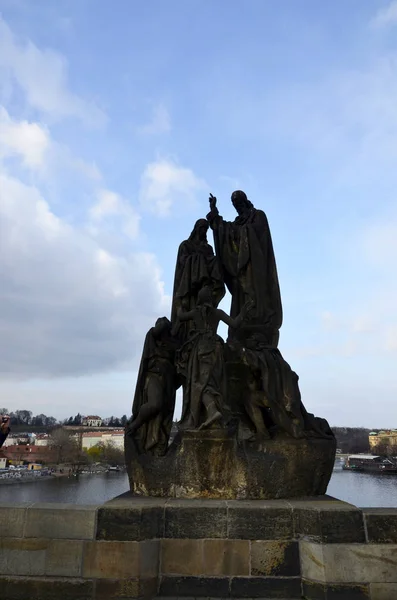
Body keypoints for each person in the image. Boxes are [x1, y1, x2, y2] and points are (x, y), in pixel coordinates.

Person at [207, 191, 282, 346]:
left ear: (245, 201)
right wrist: (214, 213)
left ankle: (257, 322)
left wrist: (242, 233)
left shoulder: (258, 215)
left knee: (254, 295)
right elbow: (225, 229)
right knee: (240, 295)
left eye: (239, 203)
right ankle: (240, 325)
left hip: (255, 266)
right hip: (240, 271)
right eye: (234, 205)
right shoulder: (238, 222)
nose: (237, 207)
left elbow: (259, 235)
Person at [174, 286, 253, 430]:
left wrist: (179, 304)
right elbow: (235, 324)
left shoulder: (196, 312)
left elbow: (180, 316)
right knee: (213, 383)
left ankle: (212, 411)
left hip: (201, 348)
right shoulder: (218, 313)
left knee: (200, 383)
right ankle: (214, 412)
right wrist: (243, 311)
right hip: (216, 349)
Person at [126, 317, 178, 455]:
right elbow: (158, 330)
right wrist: (166, 324)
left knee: (164, 414)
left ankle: (156, 444)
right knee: (155, 404)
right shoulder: (152, 339)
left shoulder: (173, 344)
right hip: (153, 375)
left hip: (168, 380)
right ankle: (136, 424)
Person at [171, 219, 225, 343]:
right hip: (189, 285)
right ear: (196, 229)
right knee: (190, 311)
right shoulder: (186, 245)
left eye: (205, 229)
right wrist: (198, 260)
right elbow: (183, 262)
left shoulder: (208, 248)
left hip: (204, 289)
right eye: (201, 228)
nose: (203, 231)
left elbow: (212, 260)